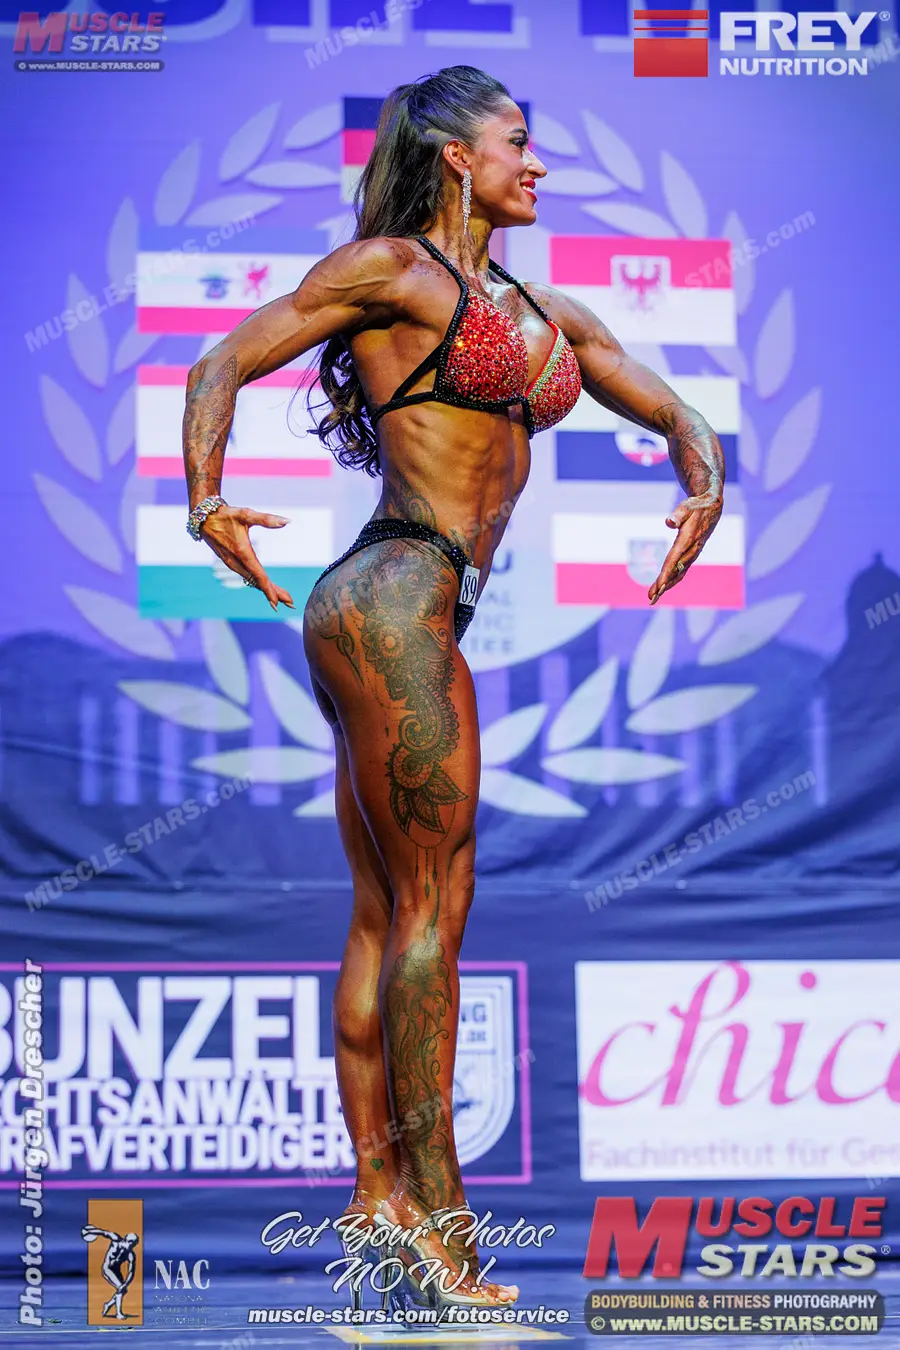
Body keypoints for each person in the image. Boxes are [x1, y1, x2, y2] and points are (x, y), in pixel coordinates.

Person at [181, 65, 725, 1307]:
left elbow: (673, 408)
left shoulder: (545, 311)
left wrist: (702, 478)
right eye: (518, 140)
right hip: (392, 594)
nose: (539, 163)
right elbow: (220, 365)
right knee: (435, 910)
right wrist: (208, 503)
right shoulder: (392, 271)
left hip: (413, 609)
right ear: (454, 155)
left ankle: (380, 1197)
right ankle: (442, 1223)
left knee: (389, 914)